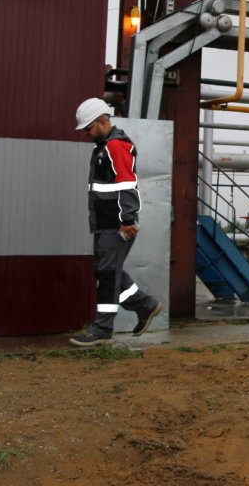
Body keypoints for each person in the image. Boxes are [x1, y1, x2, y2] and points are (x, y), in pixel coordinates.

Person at [69, 99, 162, 347]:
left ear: (102, 121)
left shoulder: (115, 146)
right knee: (106, 270)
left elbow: (126, 183)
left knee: (108, 274)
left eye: (88, 128)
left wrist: (127, 219)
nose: (85, 133)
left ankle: (102, 329)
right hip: (106, 223)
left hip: (117, 224)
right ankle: (145, 305)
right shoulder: (104, 147)